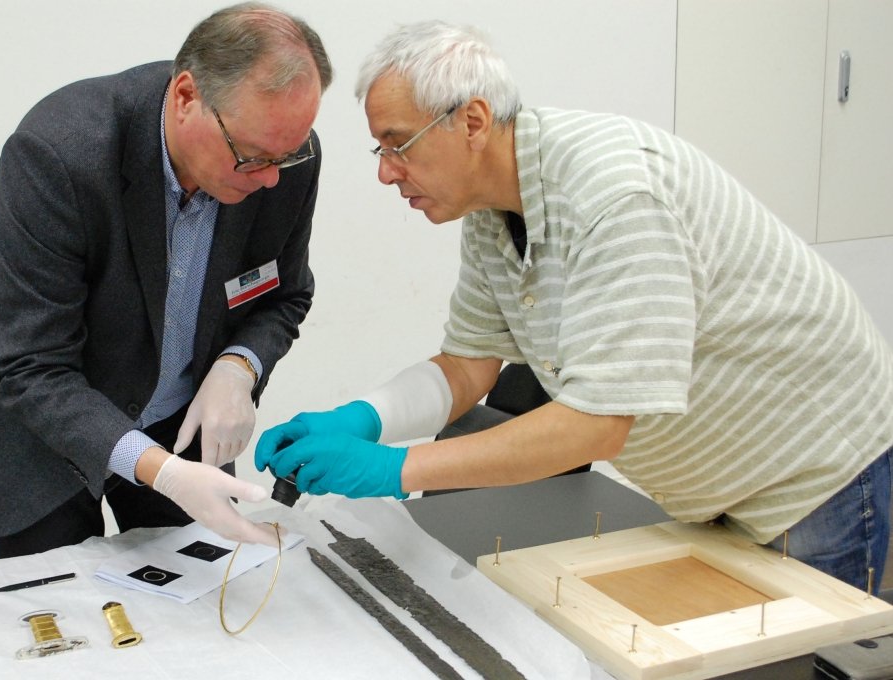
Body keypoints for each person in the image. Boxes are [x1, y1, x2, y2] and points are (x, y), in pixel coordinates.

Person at [256, 20, 893, 592]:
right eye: (380, 150)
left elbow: (596, 422)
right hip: (714, 483)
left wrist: (395, 467)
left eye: (398, 145)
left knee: (789, 660)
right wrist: (364, 418)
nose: (386, 173)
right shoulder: (492, 210)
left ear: (473, 122)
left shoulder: (612, 196)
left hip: (813, 475)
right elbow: (467, 365)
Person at [0, 3, 332, 558]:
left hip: (176, 423)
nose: (268, 179)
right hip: (41, 429)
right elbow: (32, 365)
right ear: (187, 97)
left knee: (198, 598)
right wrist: (162, 472)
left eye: (284, 156)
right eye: (252, 157)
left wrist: (240, 366)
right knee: (67, 615)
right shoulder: (58, 154)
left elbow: (284, 297)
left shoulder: (286, 160)